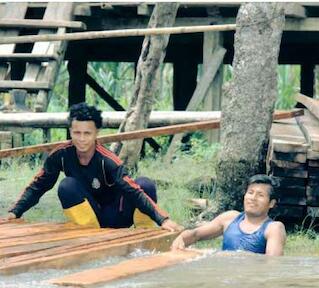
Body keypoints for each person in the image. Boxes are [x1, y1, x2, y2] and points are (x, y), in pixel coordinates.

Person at [2, 102, 182, 231]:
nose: (81, 139)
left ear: (96, 133)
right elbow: (38, 185)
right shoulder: (61, 155)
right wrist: (14, 212)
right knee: (67, 186)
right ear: (70, 132)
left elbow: (132, 190)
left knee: (145, 184)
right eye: (77, 133)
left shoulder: (108, 160)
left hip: (117, 216)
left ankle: (145, 233)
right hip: (90, 219)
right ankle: (88, 235)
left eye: (87, 133)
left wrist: (163, 219)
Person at [171, 174, 286, 256]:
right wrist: (182, 238)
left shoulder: (274, 228)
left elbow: (272, 266)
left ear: (271, 203)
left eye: (260, 195)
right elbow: (196, 234)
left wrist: (236, 257)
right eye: (250, 193)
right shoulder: (230, 218)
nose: (253, 198)